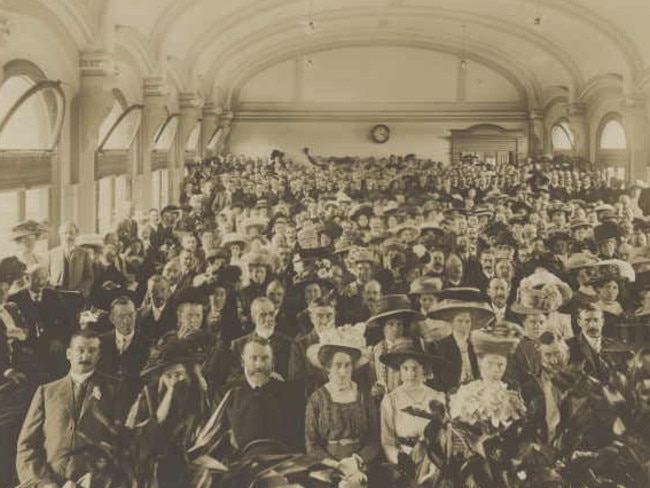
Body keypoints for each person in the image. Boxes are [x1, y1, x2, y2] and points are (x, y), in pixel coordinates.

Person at [16, 330, 118, 488]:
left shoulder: (114, 389)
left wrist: (99, 479)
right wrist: (45, 483)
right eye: (80, 350)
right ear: (69, 353)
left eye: (92, 351)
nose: (85, 356)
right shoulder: (47, 392)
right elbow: (26, 446)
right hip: (50, 481)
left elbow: (124, 444)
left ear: (99, 355)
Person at [126, 333, 212, 488]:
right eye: (168, 376)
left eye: (178, 375)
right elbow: (138, 437)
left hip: (193, 465)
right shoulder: (148, 396)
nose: (173, 381)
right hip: (155, 468)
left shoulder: (198, 395)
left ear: (188, 373)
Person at [305, 325, 379, 484]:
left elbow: (374, 439)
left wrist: (356, 461)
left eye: (347, 365)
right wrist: (336, 465)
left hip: (361, 466)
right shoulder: (317, 399)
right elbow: (311, 444)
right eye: (337, 365)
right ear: (327, 368)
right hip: (328, 468)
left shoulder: (364, 396)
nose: (343, 371)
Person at [380, 337, 445, 486]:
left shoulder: (437, 397)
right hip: (403, 459)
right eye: (406, 368)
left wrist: (435, 462)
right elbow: (387, 441)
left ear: (424, 369)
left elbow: (443, 436)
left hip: (433, 460)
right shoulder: (391, 400)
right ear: (400, 371)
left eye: (415, 368)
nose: (411, 373)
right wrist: (400, 460)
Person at [224, 336, 297, 452]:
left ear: (273, 362)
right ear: (243, 361)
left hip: (282, 463)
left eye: (265, 359)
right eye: (253, 358)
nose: (259, 365)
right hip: (240, 465)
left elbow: (297, 440)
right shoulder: (229, 395)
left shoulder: (290, 394)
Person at [229, 297, 292, 382]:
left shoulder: (289, 344)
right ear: (253, 318)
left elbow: (292, 377)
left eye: (271, 314)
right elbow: (233, 378)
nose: (268, 319)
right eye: (263, 315)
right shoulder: (238, 345)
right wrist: (258, 377)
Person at [48, 221, 95, 298]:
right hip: (56, 295)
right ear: (60, 235)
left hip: (76, 295)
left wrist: (81, 290)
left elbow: (89, 277)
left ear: (76, 235)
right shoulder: (51, 254)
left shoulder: (84, 254)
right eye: (65, 233)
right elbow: (46, 275)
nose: (68, 236)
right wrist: (52, 286)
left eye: (71, 233)